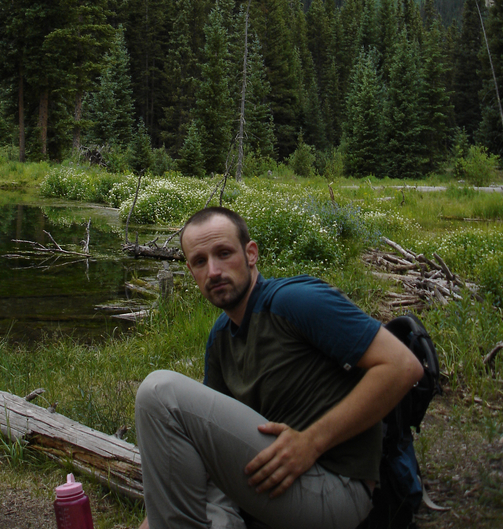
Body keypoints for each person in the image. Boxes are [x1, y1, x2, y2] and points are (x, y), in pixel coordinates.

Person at [134, 206, 424, 529]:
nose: (213, 270)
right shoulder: (220, 338)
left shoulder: (295, 301)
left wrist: (311, 442)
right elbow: (201, 441)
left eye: (224, 253)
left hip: (336, 489)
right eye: (200, 261)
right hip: (274, 481)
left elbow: (402, 366)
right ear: (190, 271)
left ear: (251, 254)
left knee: (158, 392)